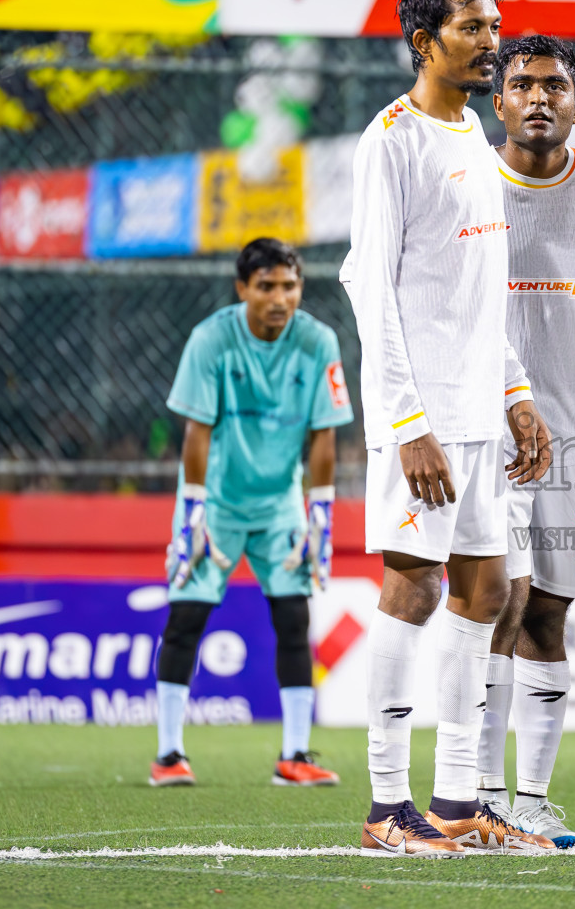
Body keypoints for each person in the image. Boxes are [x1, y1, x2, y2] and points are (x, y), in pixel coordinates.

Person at [340, 0, 554, 859]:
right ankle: (388, 807)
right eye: (473, 27)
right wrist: (406, 425)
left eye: (493, 24)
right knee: (414, 586)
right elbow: (368, 288)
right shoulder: (390, 141)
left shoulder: (472, 132)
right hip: (421, 420)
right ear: (424, 41)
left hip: (478, 411)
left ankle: (460, 798)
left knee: (487, 591)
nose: (492, 40)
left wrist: (516, 395)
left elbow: (481, 291)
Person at [473, 35, 575, 849]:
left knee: (549, 612)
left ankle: (531, 800)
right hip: (487, 431)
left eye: (556, 85)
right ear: (498, 102)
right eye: (522, 84)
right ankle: (477, 795)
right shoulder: (468, 176)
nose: (539, 97)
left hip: (568, 432)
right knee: (493, 602)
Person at [150, 237, 353, 789]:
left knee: (293, 619)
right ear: (243, 288)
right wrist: (192, 511)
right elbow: (196, 429)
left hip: (281, 504)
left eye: (290, 286)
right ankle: (169, 754)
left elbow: (323, 435)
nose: (280, 298)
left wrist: (321, 513)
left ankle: (295, 754)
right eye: (266, 286)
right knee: (186, 618)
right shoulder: (211, 339)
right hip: (213, 501)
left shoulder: (318, 341)